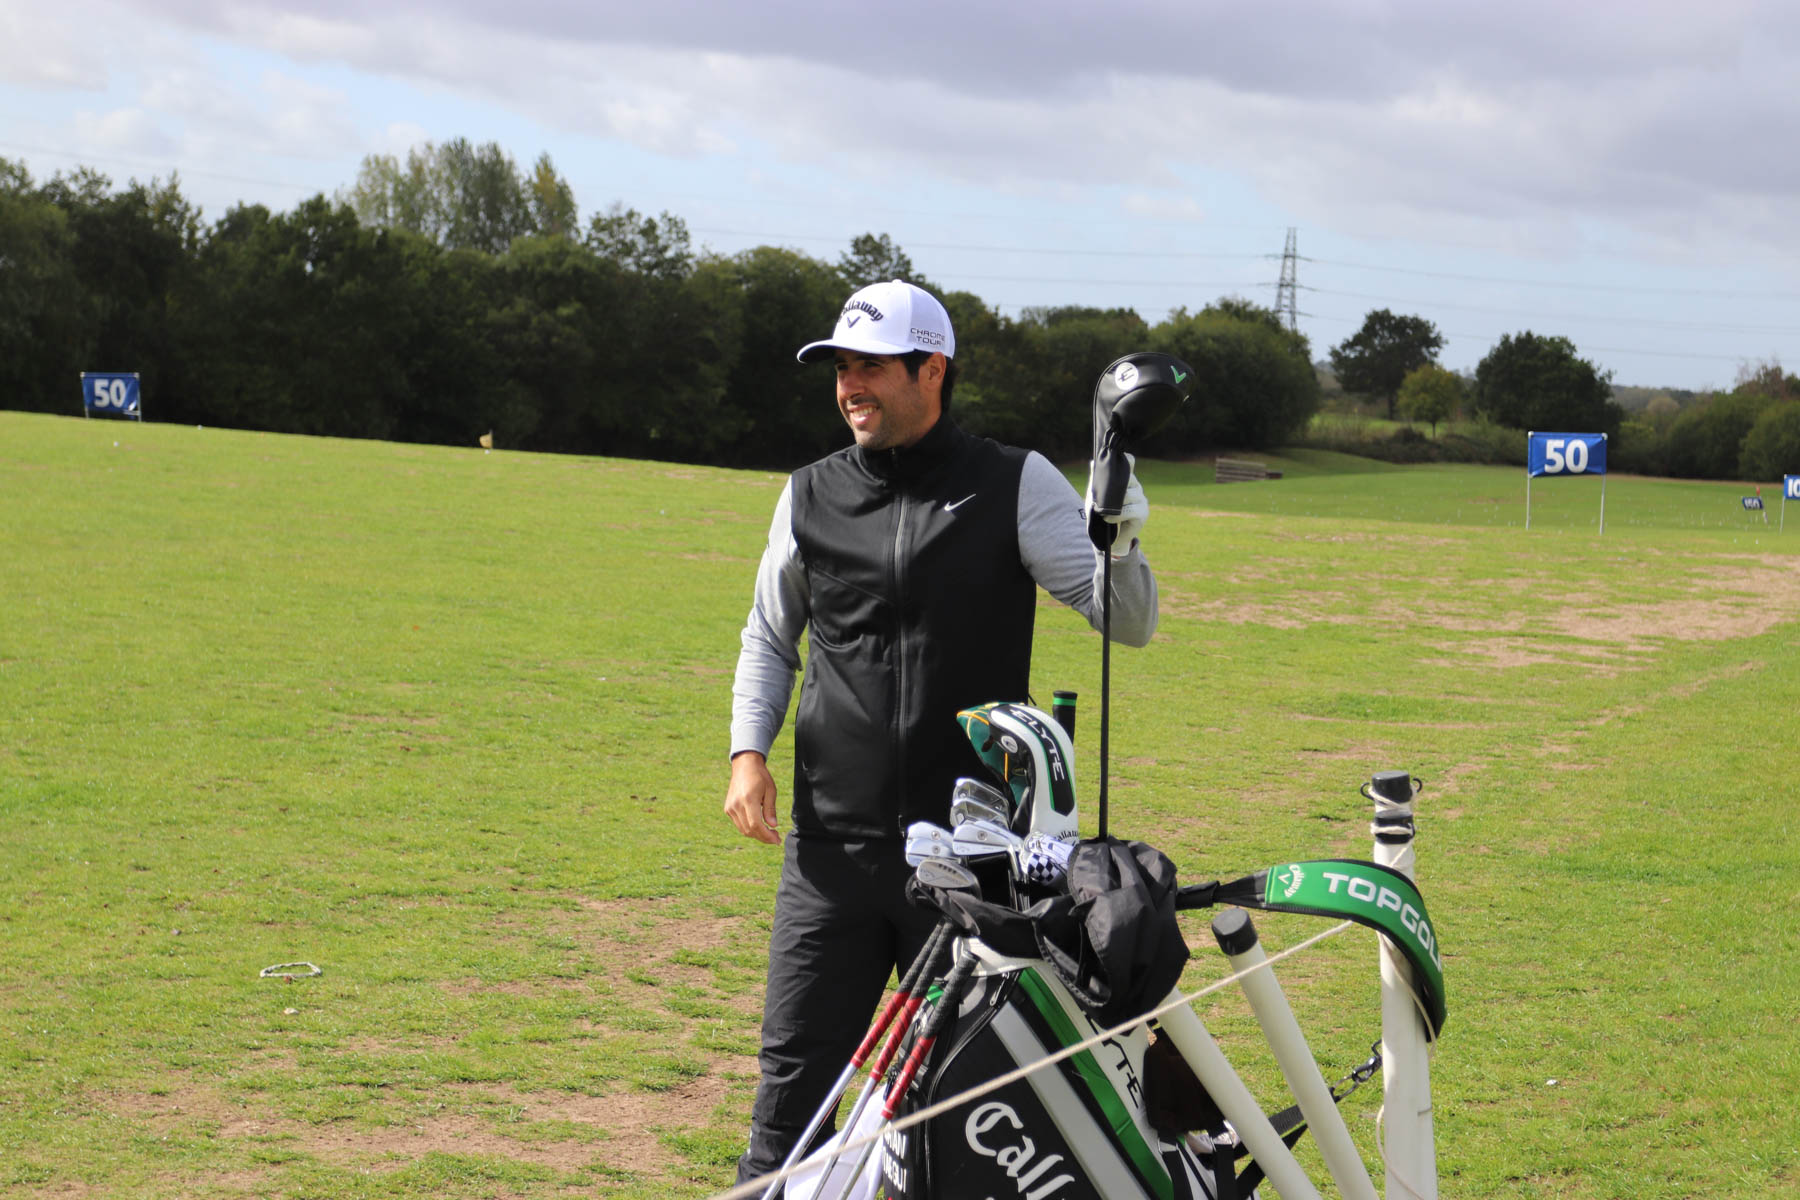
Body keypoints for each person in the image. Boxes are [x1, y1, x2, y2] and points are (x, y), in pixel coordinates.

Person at [724, 279, 1158, 1188]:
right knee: (791, 1099)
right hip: (831, 852)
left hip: (972, 861)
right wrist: (747, 754)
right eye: (841, 368)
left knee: (963, 1116)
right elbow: (770, 636)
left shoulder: (1012, 482)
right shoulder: (809, 493)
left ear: (932, 370)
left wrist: (1119, 538)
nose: (850, 386)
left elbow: (1125, 620)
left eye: (870, 366)